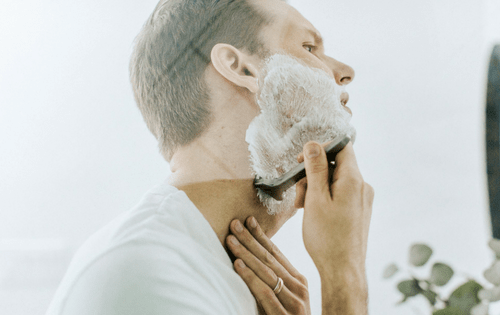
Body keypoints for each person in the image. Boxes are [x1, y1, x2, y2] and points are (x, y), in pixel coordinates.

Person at [46, 0, 374, 314]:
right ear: (241, 68)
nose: (345, 72)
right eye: (309, 48)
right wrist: (344, 279)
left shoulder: (200, 271)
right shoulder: (145, 273)